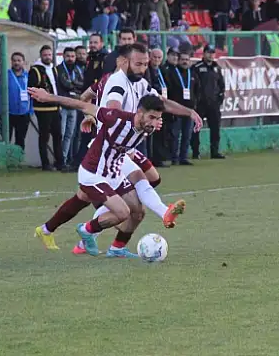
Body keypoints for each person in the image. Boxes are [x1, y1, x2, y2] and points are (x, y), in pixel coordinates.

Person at [34, 43, 202, 253]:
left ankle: (61, 233)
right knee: (125, 203)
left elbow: (160, 102)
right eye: (139, 63)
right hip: (101, 157)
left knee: (134, 206)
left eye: (145, 64)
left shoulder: (141, 84)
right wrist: (51, 97)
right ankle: (85, 234)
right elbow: (93, 105)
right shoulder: (117, 85)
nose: (143, 68)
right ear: (123, 62)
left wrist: (188, 112)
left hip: (117, 157)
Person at [29, 87, 181, 258]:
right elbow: (83, 105)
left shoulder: (148, 126)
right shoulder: (116, 118)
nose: (154, 122)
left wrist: (166, 117)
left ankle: (117, 248)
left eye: (158, 119)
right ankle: (86, 230)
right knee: (122, 212)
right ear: (139, 113)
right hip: (93, 173)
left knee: (138, 213)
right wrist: (48, 97)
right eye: (151, 117)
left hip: (114, 172)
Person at [29, 45, 63, 171]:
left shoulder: (54, 69)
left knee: (58, 135)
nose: (48, 57)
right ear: (41, 56)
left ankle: (60, 162)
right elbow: (31, 89)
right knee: (44, 137)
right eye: (45, 55)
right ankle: (45, 164)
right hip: (43, 109)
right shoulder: (36, 70)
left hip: (55, 107)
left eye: (49, 55)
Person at [191, 46, 225, 159]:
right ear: (204, 53)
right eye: (208, 53)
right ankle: (195, 152)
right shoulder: (197, 67)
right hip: (200, 104)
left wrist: (220, 98)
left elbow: (221, 85)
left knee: (215, 128)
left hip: (213, 104)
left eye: (212, 53)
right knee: (196, 128)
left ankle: (214, 152)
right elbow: (193, 85)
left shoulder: (217, 68)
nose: (210, 55)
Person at [0, 51, 32, 150]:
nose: (16, 63)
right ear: (11, 62)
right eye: (14, 60)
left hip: (23, 113)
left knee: (20, 140)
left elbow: (32, 94)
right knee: (6, 140)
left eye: (19, 60)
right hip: (8, 113)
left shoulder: (28, 76)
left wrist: (31, 110)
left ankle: (18, 162)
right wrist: (1, 110)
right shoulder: (5, 75)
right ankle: (4, 162)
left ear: (23, 62)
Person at [167, 51, 197, 165]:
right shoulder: (173, 72)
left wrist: (195, 104)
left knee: (187, 134)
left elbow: (197, 90)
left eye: (187, 59)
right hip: (177, 109)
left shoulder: (192, 73)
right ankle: (174, 158)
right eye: (183, 59)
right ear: (179, 60)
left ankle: (183, 157)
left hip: (189, 109)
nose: (185, 62)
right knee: (175, 134)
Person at [56, 47, 83, 169]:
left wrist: (74, 86)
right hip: (63, 105)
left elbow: (83, 84)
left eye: (72, 56)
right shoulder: (59, 69)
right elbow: (65, 84)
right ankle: (60, 160)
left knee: (70, 135)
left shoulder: (77, 69)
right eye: (68, 56)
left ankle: (66, 159)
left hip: (74, 105)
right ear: (63, 56)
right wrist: (75, 87)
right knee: (61, 134)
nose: (70, 59)